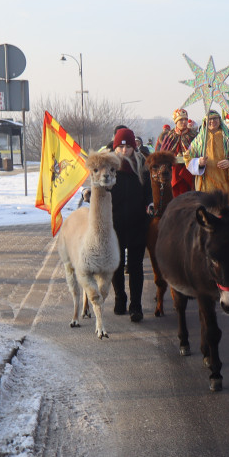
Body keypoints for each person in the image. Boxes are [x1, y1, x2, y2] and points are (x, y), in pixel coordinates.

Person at [108, 128, 153, 322]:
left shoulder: (142, 165)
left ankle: (136, 305)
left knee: (135, 267)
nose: (124, 150)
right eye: (120, 146)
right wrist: (90, 194)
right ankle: (120, 298)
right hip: (114, 224)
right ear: (115, 147)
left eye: (127, 146)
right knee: (116, 265)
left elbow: (148, 191)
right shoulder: (108, 166)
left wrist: (150, 204)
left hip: (137, 223)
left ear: (134, 147)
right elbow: (99, 187)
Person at [185, 110, 229, 209]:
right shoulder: (198, 141)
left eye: (215, 118)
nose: (212, 121)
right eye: (210, 119)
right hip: (207, 184)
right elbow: (187, 158)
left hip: (227, 182)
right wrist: (199, 162)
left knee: (227, 211)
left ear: (219, 120)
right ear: (205, 122)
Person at [156, 108, 198, 196]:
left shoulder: (194, 135)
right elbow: (163, 154)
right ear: (176, 122)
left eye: (185, 119)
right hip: (173, 171)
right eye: (181, 120)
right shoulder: (169, 136)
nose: (184, 122)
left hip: (190, 171)